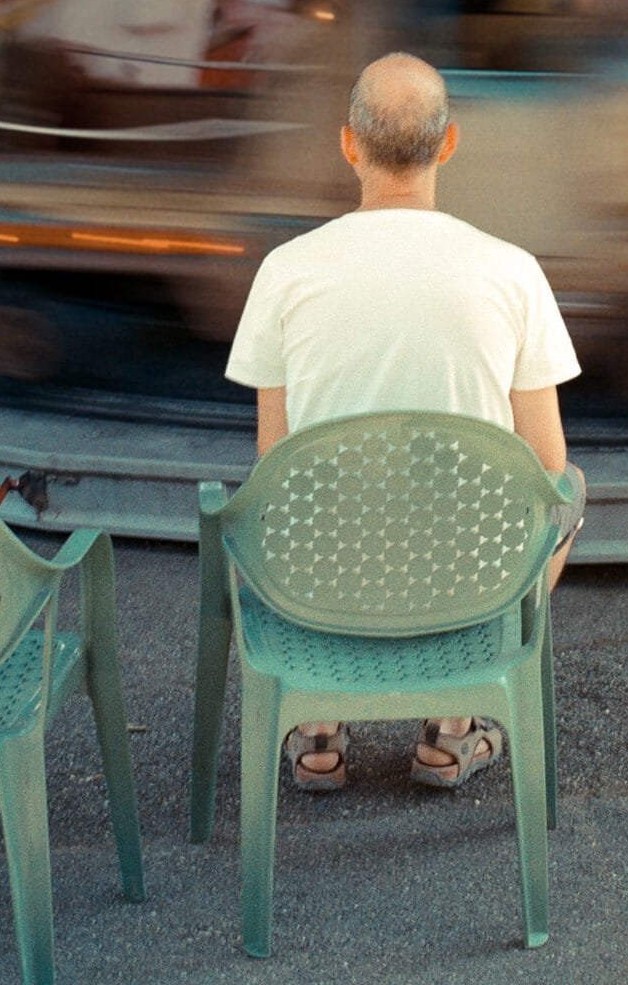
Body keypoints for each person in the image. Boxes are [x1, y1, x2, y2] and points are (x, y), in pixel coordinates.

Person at [226, 52, 586, 791]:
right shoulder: (513, 271)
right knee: (569, 492)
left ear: (348, 146)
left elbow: (274, 462)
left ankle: (317, 724)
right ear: (449, 144)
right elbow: (548, 467)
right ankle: (456, 721)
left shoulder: (285, 271)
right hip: (469, 584)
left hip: (321, 589)